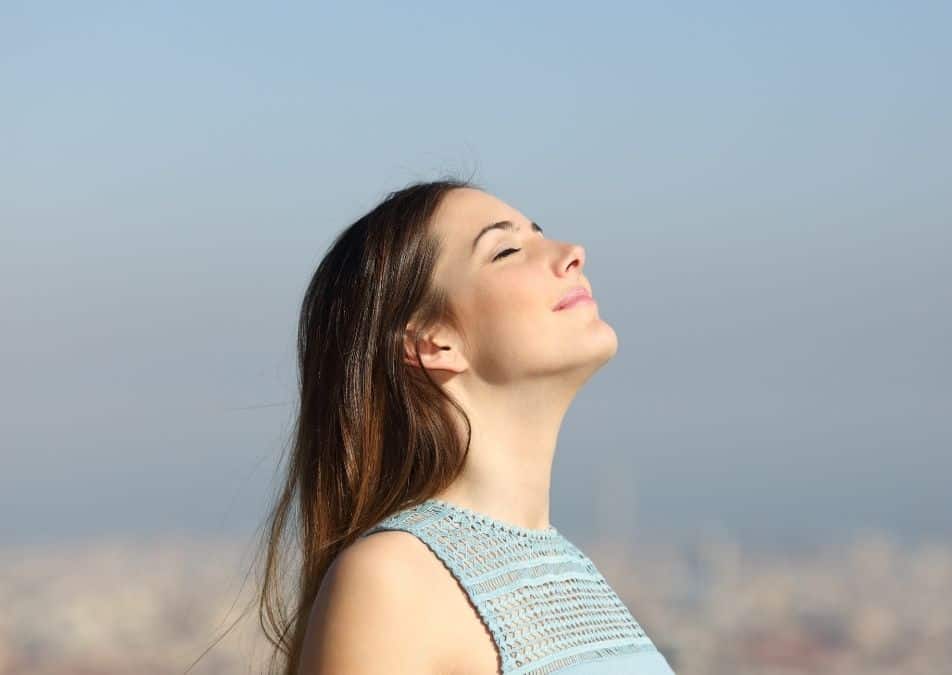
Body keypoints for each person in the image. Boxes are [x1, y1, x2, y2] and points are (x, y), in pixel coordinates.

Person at [253, 178, 676, 674]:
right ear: (431, 342)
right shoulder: (392, 580)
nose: (572, 253)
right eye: (508, 250)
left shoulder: (571, 570)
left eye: (540, 234)